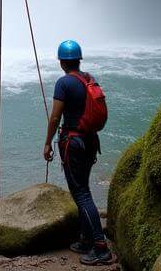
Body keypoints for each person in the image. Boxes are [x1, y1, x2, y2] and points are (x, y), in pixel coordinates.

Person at [43, 40, 111, 265]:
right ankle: (86, 239)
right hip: (90, 140)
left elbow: (55, 116)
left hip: (73, 142)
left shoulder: (64, 83)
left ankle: (100, 248)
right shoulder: (89, 79)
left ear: (62, 61)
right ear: (78, 60)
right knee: (84, 188)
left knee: (81, 193)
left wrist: (47, 143)